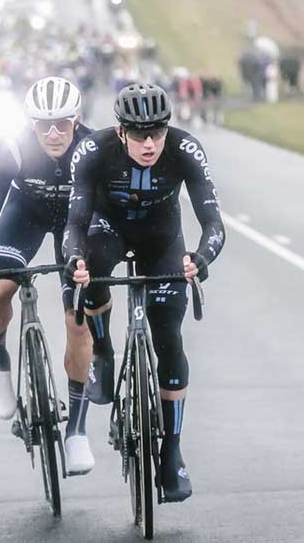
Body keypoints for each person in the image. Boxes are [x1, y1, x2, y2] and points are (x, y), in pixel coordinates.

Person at [64, 83, 226, 503]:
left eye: (158, 132)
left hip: (161, 238)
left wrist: (201, 258)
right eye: (139, 135)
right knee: (93, 268)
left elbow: (213, 222)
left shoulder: (186, 149)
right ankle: (103, 348)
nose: (151, 143)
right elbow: (76, 222)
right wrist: (75, 259)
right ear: (121, 133)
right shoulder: (94, 151)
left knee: (169, 337)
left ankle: (171, 451)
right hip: (108, 230)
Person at [0, 76, 98, 476]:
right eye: (43, 124)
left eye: (62, 123)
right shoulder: (13, 152)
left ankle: (76, 431)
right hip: (25, 217)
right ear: (30, 124)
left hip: (75, 224)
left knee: (78, 321)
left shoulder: (92, 150)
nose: (53, 134)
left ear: (78, 119)